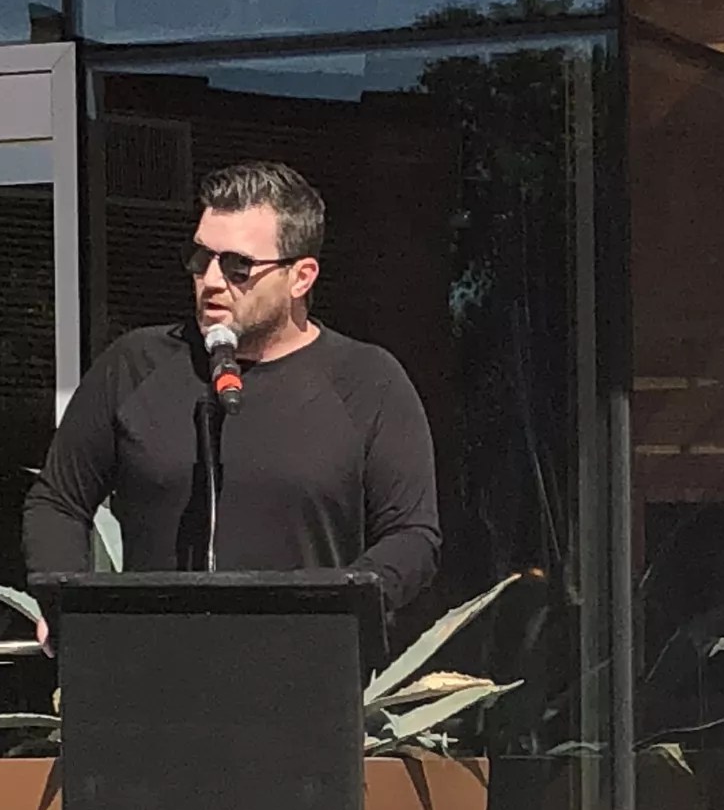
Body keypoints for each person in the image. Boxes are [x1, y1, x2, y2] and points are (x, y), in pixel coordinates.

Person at [23, 159, 440, 627]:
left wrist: (339, 608)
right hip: (151, 660)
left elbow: (412, 535)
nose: (212, 281)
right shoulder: (135, 364)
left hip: (304, 660)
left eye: (238, 266)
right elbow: (58, 501)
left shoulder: (368, 381)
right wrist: (66, 605)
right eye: (200, 258)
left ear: (301, 277)